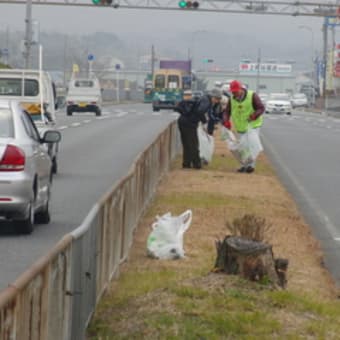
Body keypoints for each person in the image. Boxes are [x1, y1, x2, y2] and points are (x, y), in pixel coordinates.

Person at [222, 80, 265, 174]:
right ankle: (244, 165)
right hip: (240, 127)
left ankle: (250, 166)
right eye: (232, 92)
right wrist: (226, 121)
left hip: (253, 126)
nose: (234, 93)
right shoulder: (232, 99)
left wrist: (254, 115)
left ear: (241, 89)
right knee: (242, 147)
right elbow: (226, 112)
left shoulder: (252, 95)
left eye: (235, 91)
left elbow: (261, 108)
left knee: (250, 146)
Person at [175, 90, 208, 169]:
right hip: (191, 125)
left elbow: (178, 109)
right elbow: (200, 113)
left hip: (182, 122)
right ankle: (196, 164)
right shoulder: (197, 105)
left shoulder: (183, 103)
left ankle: (186, 163)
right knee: (193, 144)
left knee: (186, 144)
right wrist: (205, 122)